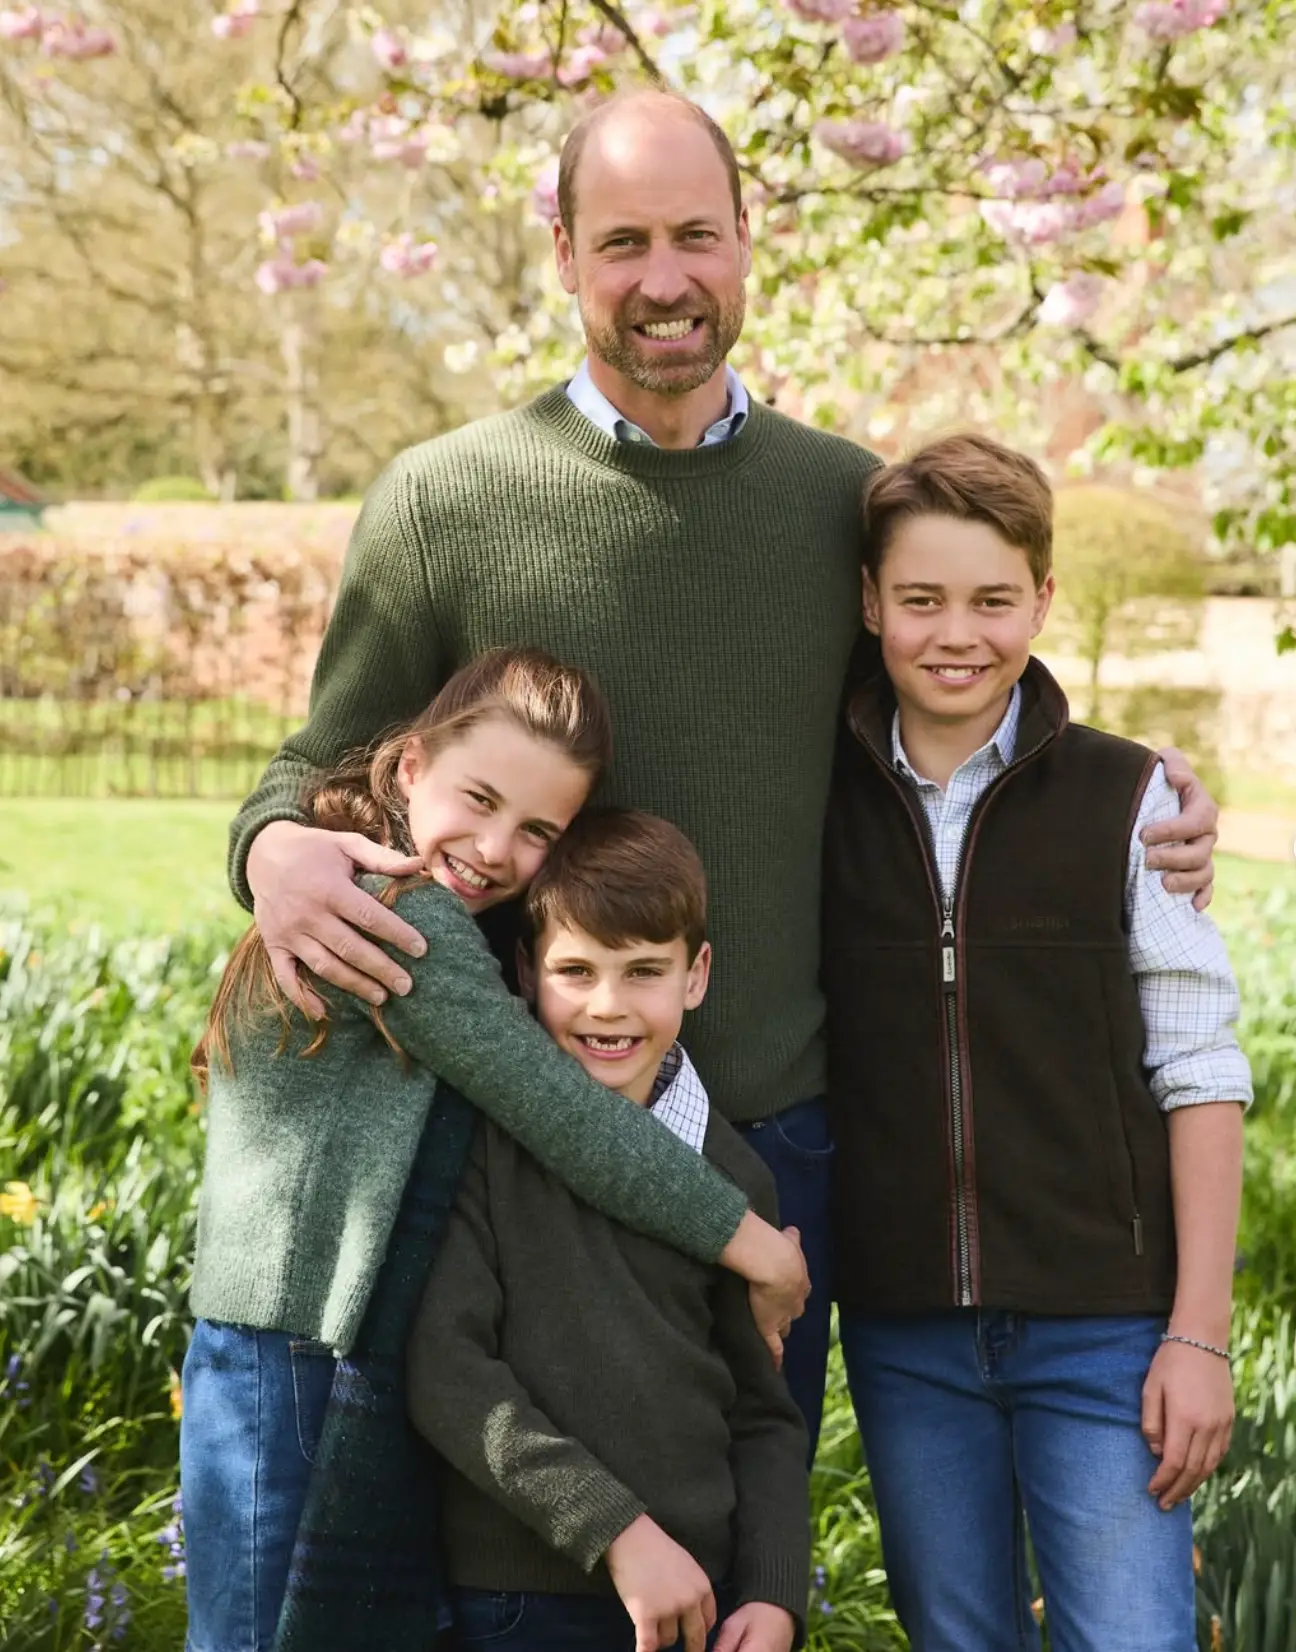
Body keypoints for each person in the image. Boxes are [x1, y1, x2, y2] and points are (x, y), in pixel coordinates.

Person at [226, 89, 1219, 1447]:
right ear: (564, 252)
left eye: (697, 235)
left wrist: (1140, 797)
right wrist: (270, 847)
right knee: (531, 1565)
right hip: (520, 1128)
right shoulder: (443, 502)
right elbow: (323, 761)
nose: (665, 280)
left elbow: (957, 715)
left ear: (748, 241)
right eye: (623, 242)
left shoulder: (839, 503)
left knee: (743, 1544)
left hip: (774, 1131)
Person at [181, 649, 805, 1652]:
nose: (495, 847)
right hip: (291, 1350)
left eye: (537, 831)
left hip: (309, 1345)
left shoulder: (367, 873)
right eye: (478, 797)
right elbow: (557, 1108)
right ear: (411, 764)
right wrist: (754, 1242)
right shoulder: (399, 911)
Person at [822, 435, 1253, 1652]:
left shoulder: (1132, 803)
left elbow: (1201, 1072)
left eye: (994, 599)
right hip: (908, 1329)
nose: (957, 632)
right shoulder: (821, 801)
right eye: (919, 599)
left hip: (1106, 1324)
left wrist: (1197, 1330)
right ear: (869, 603)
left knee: (1130, 1637)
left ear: (1043, 600)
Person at [409, 809, 809, 1652]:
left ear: (696, 975)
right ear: (525, 971)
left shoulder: (735, 1182)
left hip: (700, 1600)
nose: (607, 1006)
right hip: (521, 1592)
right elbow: (446, 1367)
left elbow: (764, 1418)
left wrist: (774, 1596)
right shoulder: (486, 1143)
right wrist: (617, 1531)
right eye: (576, 970)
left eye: (643, 972)